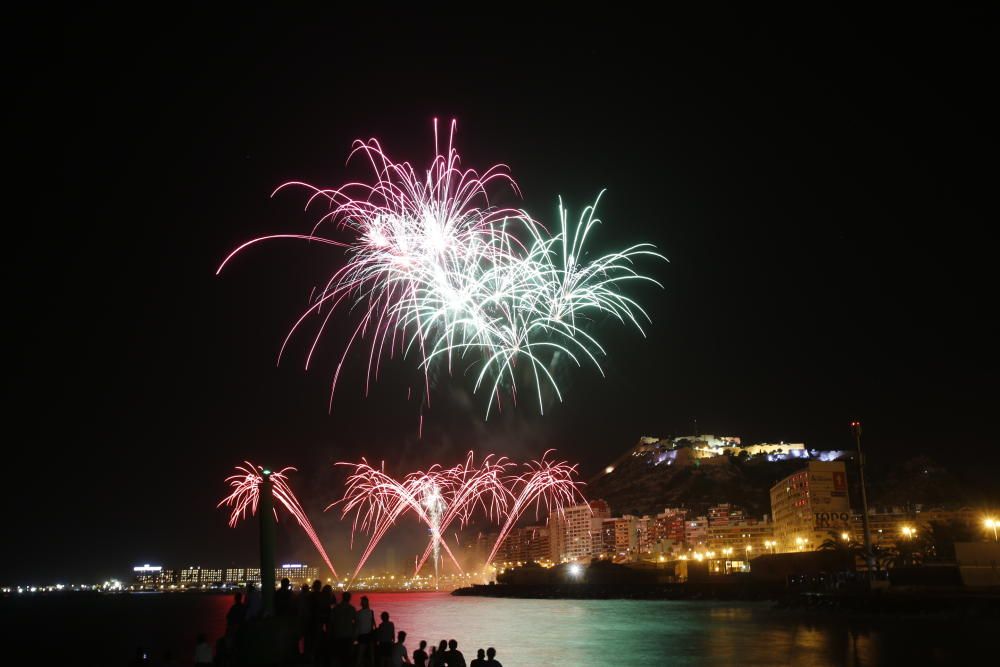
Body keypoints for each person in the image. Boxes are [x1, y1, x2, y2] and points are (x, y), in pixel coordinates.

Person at [331, 590, 357, 666]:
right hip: (348, 635)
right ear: (349, 598)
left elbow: (332, 621)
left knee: (338, 655)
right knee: (347, 656)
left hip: (338, 634)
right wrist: (354, 634)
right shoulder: (352, 609)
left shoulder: (336, 608)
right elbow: (355, 623)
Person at [355, 596, 376, 667]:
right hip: (369, 635)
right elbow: (373, 624)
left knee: (360, 654)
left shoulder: (359, 613)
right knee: (371, 654)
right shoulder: (371, 612)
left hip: (363, 635)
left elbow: (357, 625)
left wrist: (355, 636)